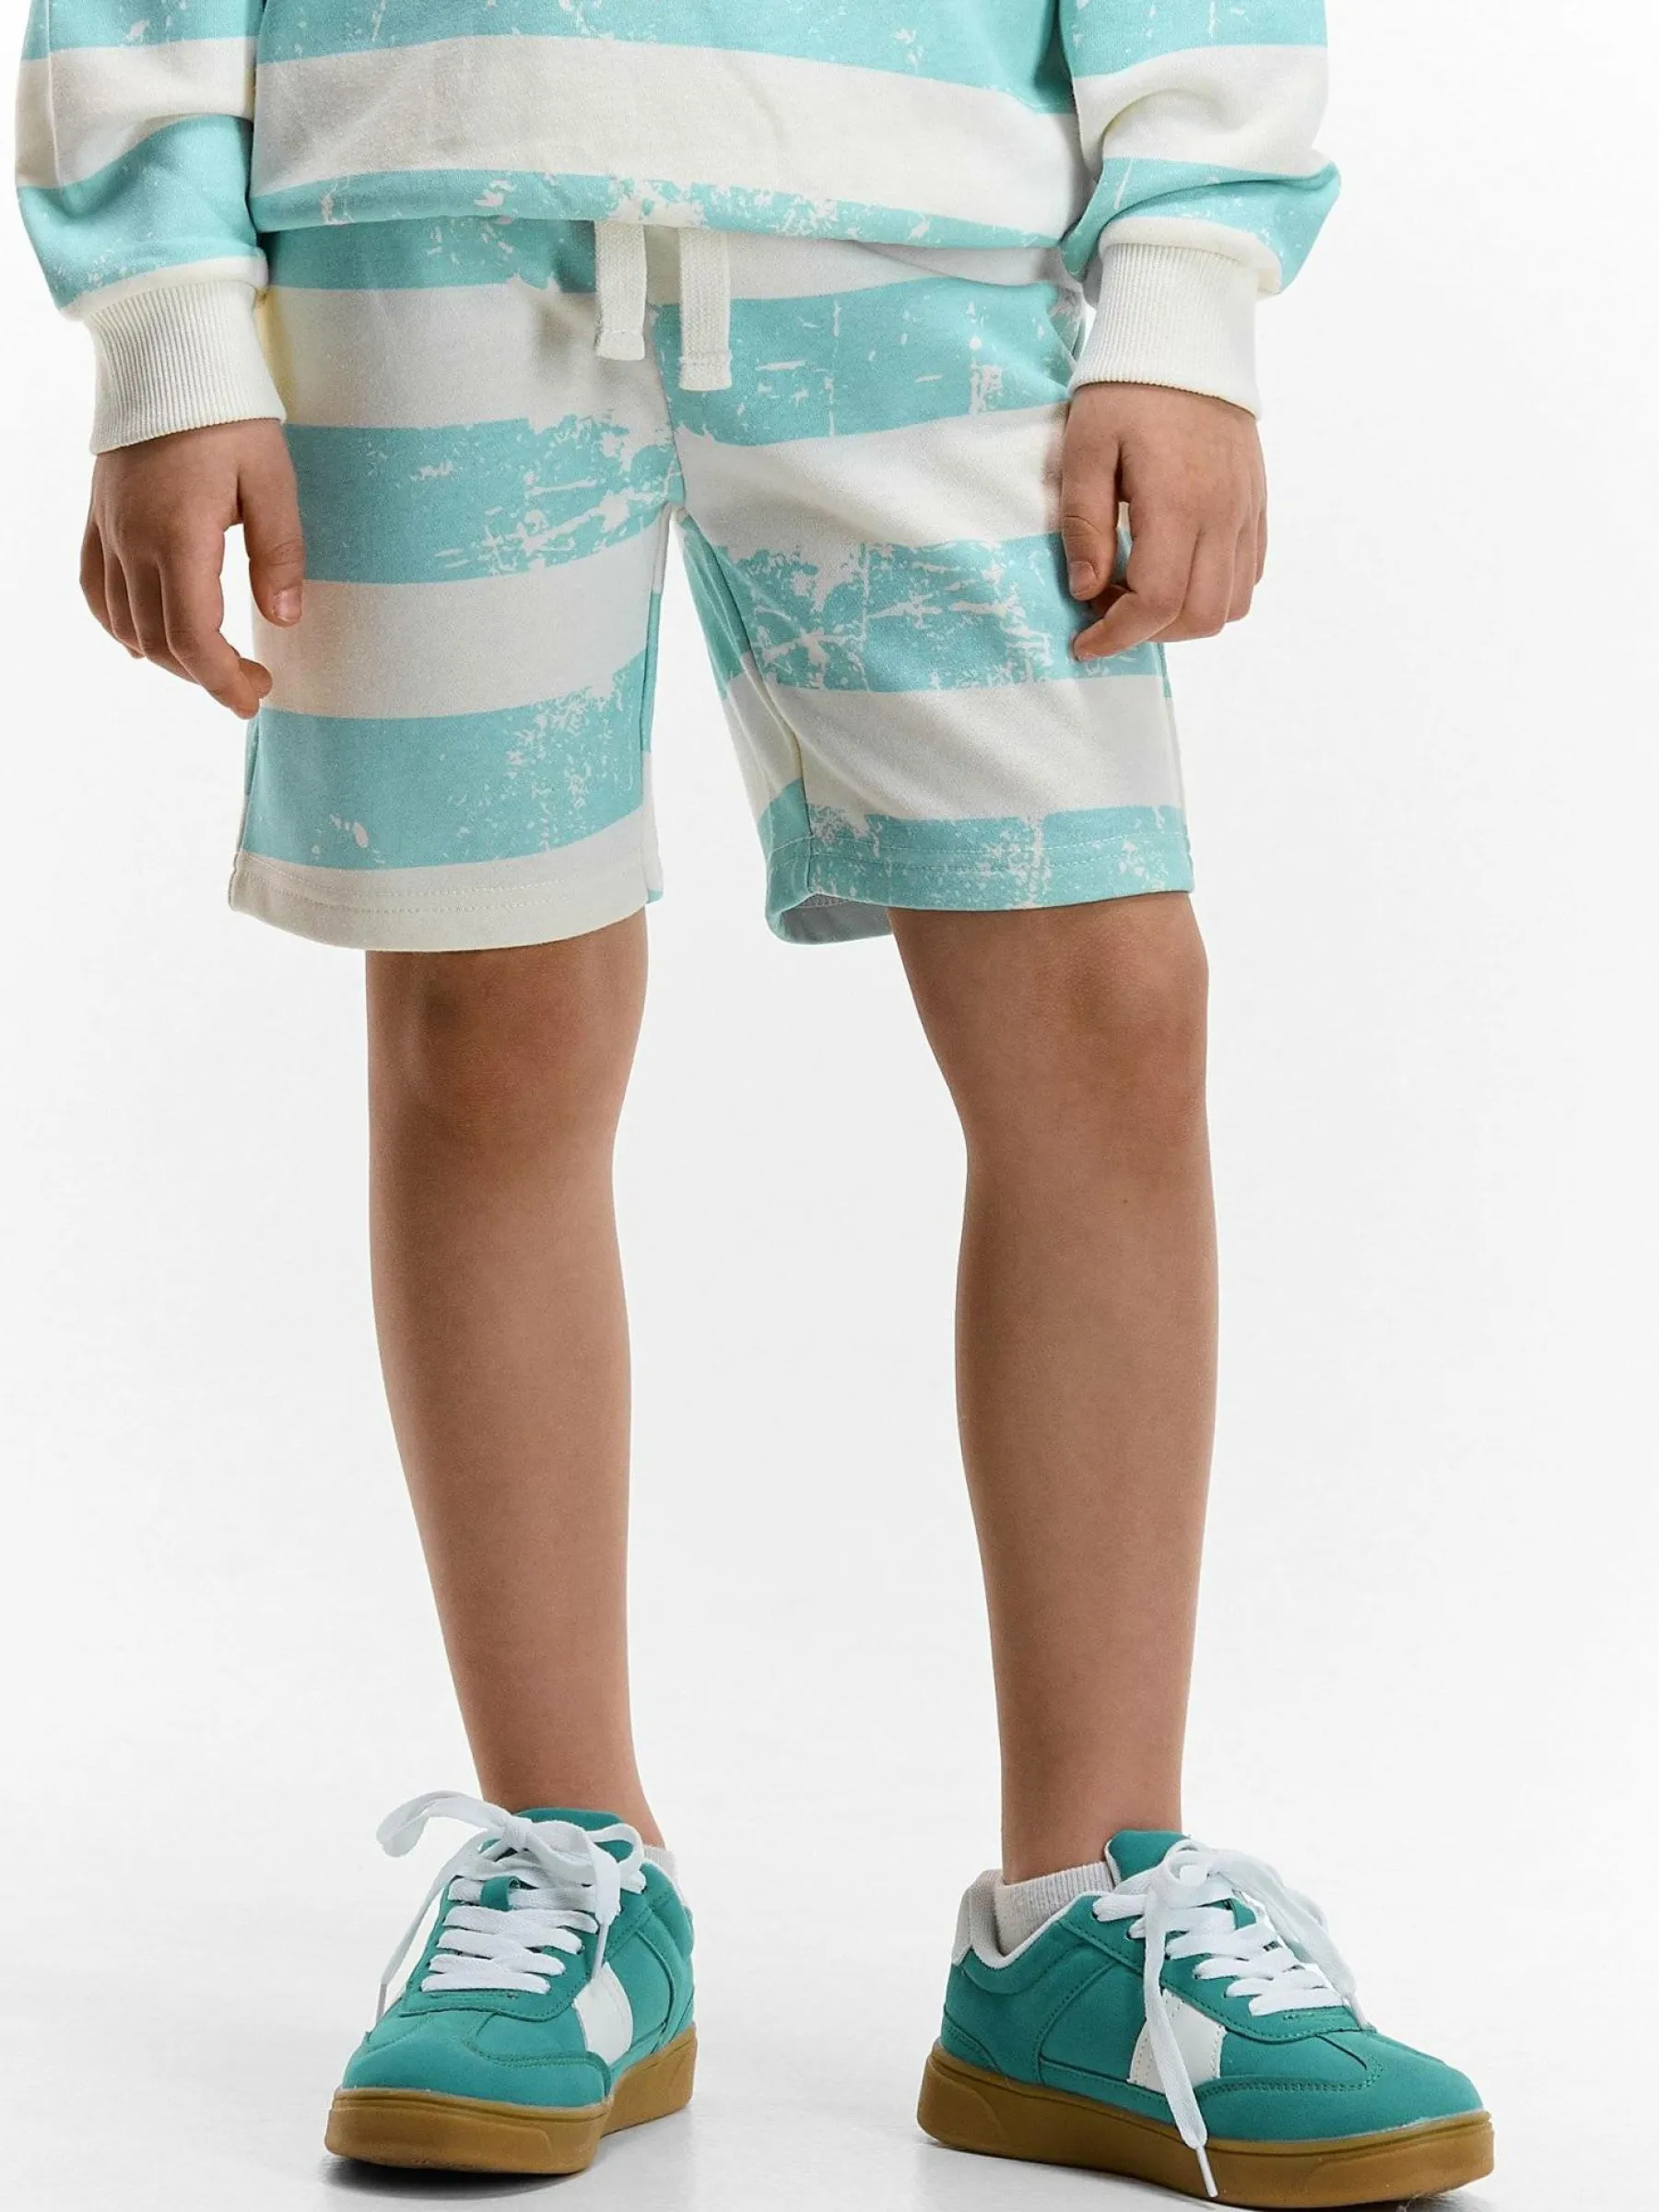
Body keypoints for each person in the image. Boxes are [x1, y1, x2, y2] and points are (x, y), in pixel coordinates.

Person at [16, 4, 1493, 2203]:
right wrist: (166, 325)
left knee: (1107, 1003)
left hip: (927, 220)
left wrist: (1186, 272)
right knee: (487, 1019)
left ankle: (1084, 1915)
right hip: (416, 196)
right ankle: (569, 1860)